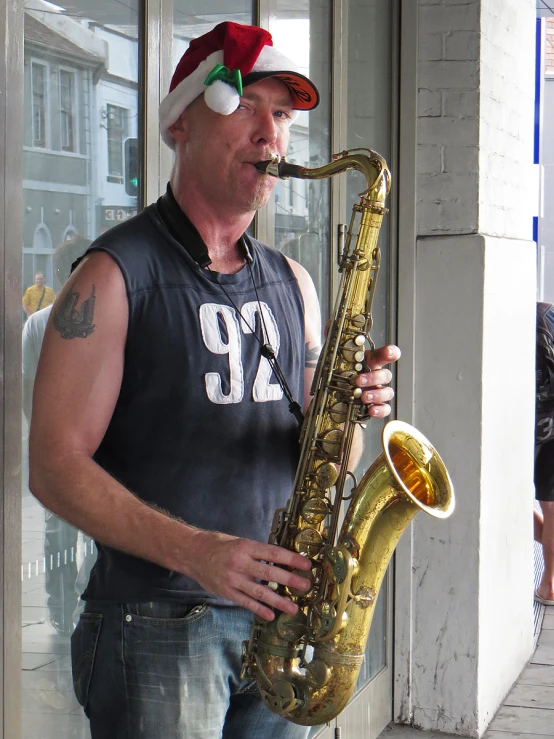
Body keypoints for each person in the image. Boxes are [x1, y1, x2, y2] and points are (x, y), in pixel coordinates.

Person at [28, 22, 400, 739]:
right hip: (157, 626)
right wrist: (199, 552)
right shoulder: (112, 277)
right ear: (180, 124)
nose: (271, 134)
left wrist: (347, 415)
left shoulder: (293, 281)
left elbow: (325, 463)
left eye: (284, 115)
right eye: (247, 106)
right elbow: (51, 465)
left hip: (279, 624)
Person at [22, 237, 95, 635]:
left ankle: (60, 606)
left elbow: (26, 387)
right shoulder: (101, 320)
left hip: (56, 447)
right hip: (96, 448)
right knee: (97, 533)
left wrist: (41, 434)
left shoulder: (38, 323)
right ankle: (81, 604)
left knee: (59, 533)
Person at [534, 302, 554, 606]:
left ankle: (549, 585)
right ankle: (549, 584)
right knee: (551, 509)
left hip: (526, 424)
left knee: (502, 496)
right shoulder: (548, 313)